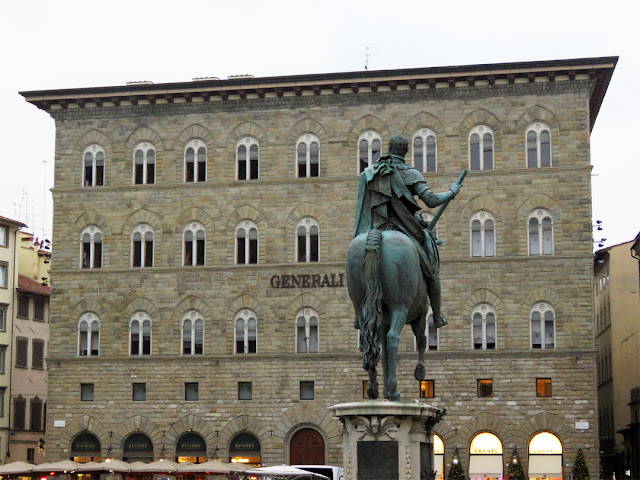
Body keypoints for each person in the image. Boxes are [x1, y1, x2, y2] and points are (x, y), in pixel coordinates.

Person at [353, 135, 461, 328]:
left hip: (371, 229)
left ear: (389, 149)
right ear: (405, 152)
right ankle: (437, 316)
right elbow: (432, 200)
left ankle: (357, 314)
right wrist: (452, 192)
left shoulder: (369, 173)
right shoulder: (409, 173)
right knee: (432, 270)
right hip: (403, 230)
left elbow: (363, 208)